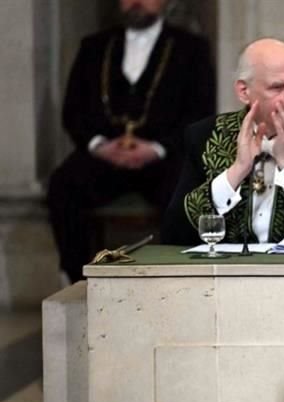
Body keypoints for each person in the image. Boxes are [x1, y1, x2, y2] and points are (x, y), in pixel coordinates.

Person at [48, 0, 215, 282]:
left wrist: (157, 148)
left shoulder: (191, 48)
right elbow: (73, 111)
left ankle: (178, 279)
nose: (136, 2)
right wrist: (100, 145)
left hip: (163, 157)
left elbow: (201, 112)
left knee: (186, 190)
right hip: (105, 157)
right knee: (63, 185)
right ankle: (77, 277)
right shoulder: (94, 46)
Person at [162, 38, 284, 245]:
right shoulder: (205, 135)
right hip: (227, 271)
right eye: (278, 87)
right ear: (244, 92)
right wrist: (237, 170)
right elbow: (176, 232)